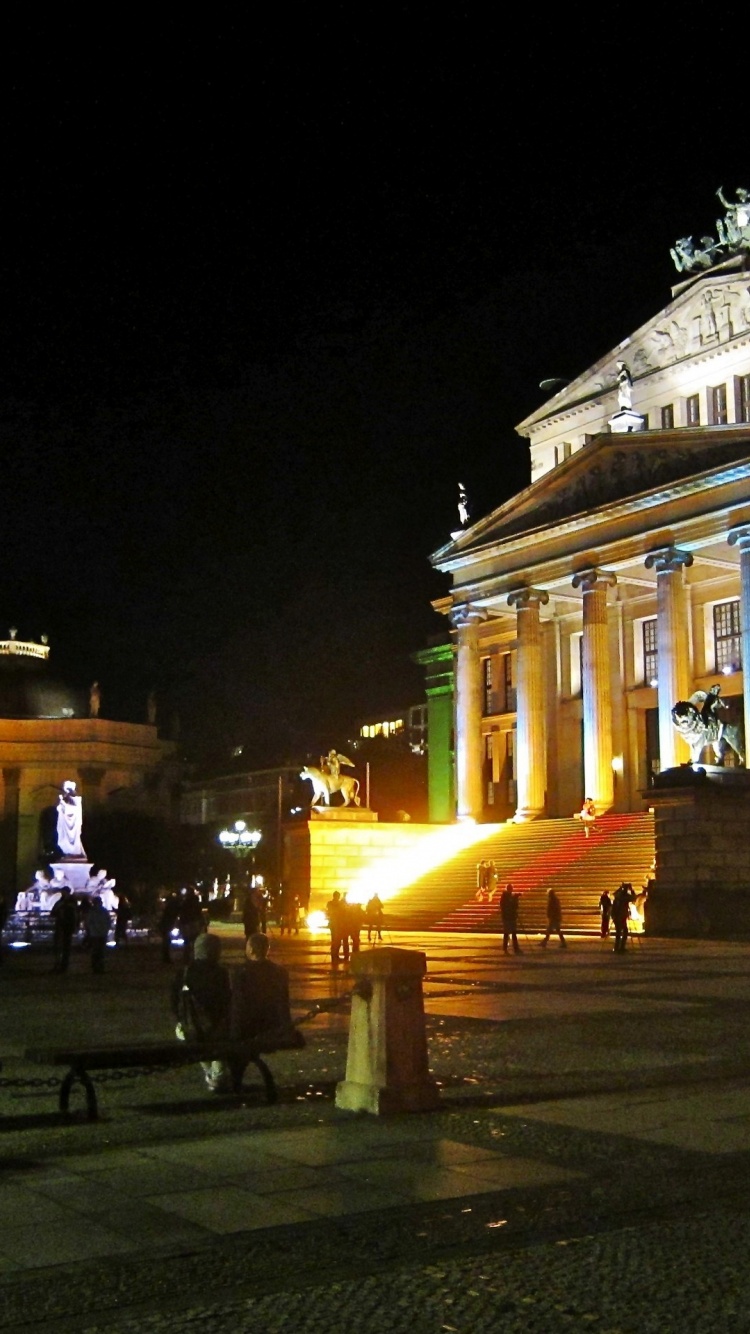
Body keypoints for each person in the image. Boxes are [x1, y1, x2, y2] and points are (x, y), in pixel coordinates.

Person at [229, 932, 295, 1090]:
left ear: (250, 949)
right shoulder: (279, 972)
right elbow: (282, 1003)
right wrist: (285, 1028)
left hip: (248, 1028)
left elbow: (239, 1007)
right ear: (267, 950)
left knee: (234, 1049)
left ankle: (233, 1079)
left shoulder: (240, 972)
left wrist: (234, 1032)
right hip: (271, 1026)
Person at [172, 932, 232, 1093]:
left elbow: (174, 1002)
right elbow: (227, 1001)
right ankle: (216, 1077)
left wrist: (182, 1018)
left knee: (189, 1034)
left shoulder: (184, 973)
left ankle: (212, 1075)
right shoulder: (221, 974)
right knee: (220, 1038)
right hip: (216, 1028)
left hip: (191, 1028)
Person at [50, 887, 78, 973]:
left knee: (65, 947)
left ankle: (63, 965)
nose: (63, 894)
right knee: (59, 946)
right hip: (61, 926)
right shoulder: (60, 903)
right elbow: (53, 913)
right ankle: (58, 963)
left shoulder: (71, 903)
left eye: (64, 892)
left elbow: (76, 914)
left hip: (67, 927)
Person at [56, 780, 86, 857]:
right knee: (63, 839)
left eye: (68, 790)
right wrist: (61, 804)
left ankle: (74, 852)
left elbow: (73, 810)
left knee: (74, 839)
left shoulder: (77, 800)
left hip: (74, 825)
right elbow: (60, 810)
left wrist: (63, 803)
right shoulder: (64, 799)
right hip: (65, 825)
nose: (66, 792)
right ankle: (68, 851)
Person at [87, 896, 111, 972]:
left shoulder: (92, 911)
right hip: (101, 933)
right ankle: (100, 966)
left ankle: (96, 966)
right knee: (101, 951)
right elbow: (108, 921)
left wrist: (90, 930)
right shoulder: (104, 911)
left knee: (96, 951)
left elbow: (88, 922)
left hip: (95, 933)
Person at [612, 882, 636, 953]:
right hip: (621, 915)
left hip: (617, 916)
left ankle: (617, 947)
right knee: (624, 931)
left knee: (619, 932)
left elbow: (614, 894)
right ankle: (621, 947)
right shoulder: (625, 896)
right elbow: (634, 898)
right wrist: (631, 890)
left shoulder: (618, 895)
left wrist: (619, 888)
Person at [326, 891, 348, 966]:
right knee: (336, 941)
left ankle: (335, 955)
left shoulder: (333, 903)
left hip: (336, 924)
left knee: (336, 941)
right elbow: (334, 912)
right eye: (338, 896)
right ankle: (334, 956)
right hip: (335, 924)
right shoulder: (333, 903)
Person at [499, 883, 522, 954]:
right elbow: (513, 906)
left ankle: (507, 948)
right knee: (511, 933)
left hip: (507, 917)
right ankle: (514, 948)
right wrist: (515, 898)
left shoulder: (505, 897)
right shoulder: (507, 897)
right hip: (509, 917)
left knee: (509, 933)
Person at [159, 891, 180, 964]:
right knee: (166, 941)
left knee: (166, 940)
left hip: (166, 925)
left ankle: (166, 957)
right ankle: (166, 958)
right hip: (166, 925)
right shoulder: (171, 908)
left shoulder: (168, 907)